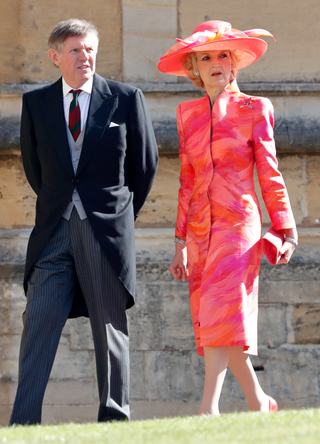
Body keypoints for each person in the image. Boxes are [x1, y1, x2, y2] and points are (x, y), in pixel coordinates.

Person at [10, 18, 158, 425]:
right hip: (53, 231)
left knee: (109, 327)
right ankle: (23, 423)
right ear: (55, 56)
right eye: (75, 49)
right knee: (37, 321)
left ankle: (114, 419)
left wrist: (116, 215)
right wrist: (63, 204)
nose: (85, 57)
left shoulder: (125, 98)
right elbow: (35, 168)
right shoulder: (36, 102)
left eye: (90, 49)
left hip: (104, 231)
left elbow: (144, 167)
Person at [158, 20, 297, 416]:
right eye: (206, 57)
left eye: (223, 55)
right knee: (216, 318)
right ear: (194, 68)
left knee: (221, 307)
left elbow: (270, 172)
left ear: (234, 63)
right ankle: (260, 402)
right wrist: (179, 242)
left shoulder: (255, 108)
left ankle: (209, 409)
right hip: (200, 229)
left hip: (240, 225)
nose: (216, 62)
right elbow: (187, 180)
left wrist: (284, 227)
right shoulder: (186, 114)